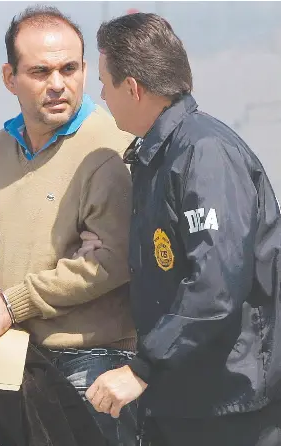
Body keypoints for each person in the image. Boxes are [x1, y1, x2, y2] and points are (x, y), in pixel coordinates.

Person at [0, 6, 138, 445]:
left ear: (86, 70)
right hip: (14, 360)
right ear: (9, 77)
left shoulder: (108, 148)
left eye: (69, 69)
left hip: (91, 367)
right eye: (40, 71)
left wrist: (9, 305)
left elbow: (108, 260)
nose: (57, 84)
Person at [86, 12, 281, 446]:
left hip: (229, 404)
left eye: (104, 82)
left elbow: (215, 285)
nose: (100, 95)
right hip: (184, 398)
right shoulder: (160, 156)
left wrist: (144, 367)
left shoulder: (205, 152)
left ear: (133, 87)